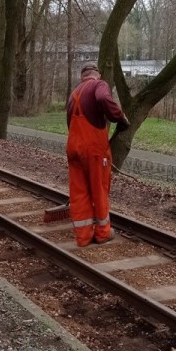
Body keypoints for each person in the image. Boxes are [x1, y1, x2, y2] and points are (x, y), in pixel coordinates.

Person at [66, 64, 130, 247]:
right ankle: (102, 233)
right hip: (93, 149)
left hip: (73, 148)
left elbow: (69, 122)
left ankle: (83, 236)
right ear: (97, 75)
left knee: (79, 192)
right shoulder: (99, 85)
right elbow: (103, 98)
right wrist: (119, 117)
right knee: (99, 189)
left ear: (82, 77)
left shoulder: (73, 94)